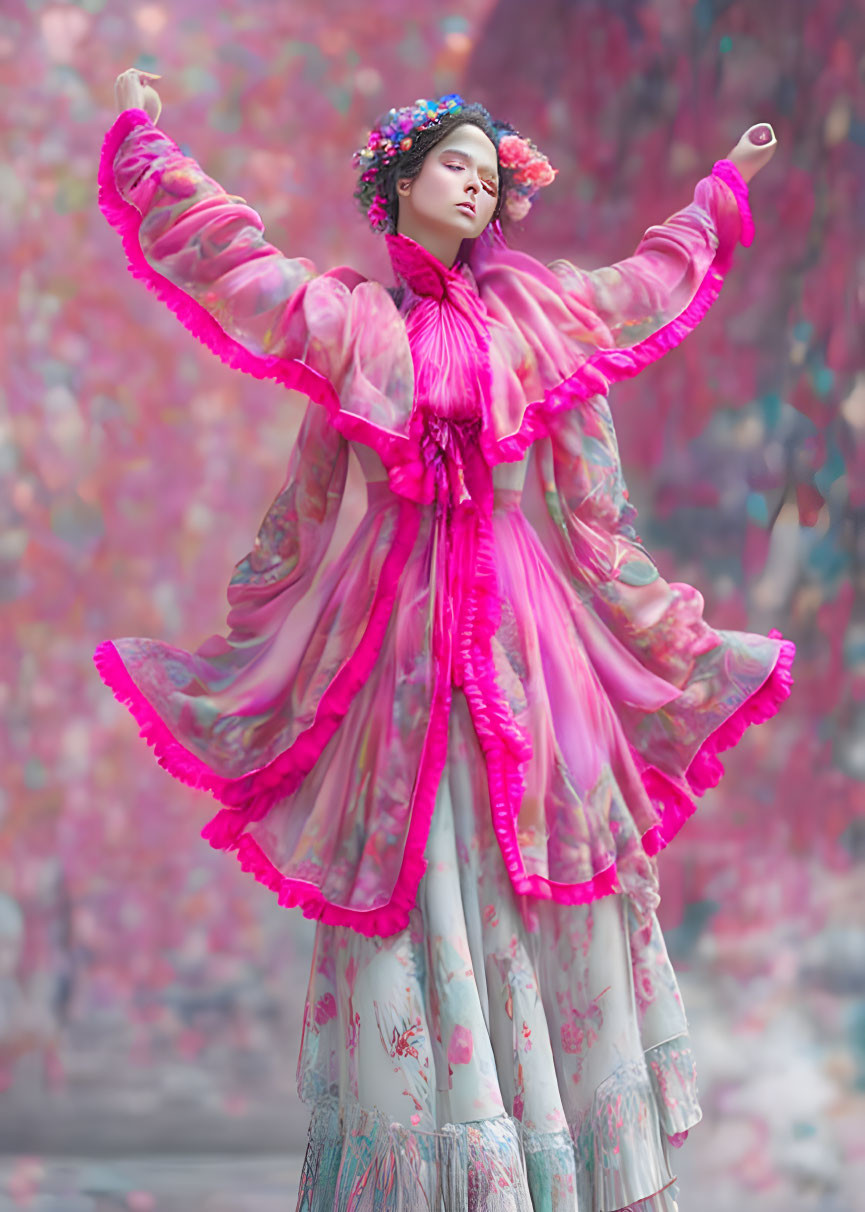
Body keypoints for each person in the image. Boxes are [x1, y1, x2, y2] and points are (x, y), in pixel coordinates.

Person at [99, 70, 795, 1211]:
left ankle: (553, 1163)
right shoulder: (352, 321)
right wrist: (147, 144)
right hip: (400, 636)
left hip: (528, 633)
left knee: (543, 868)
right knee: (415, 867)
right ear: (400, 185)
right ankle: (438, 1165)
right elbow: (236, 265)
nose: (476, 189)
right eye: (454, 168)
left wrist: (722, 188)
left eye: (488, 174)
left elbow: (639, 286)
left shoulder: (541, 312)